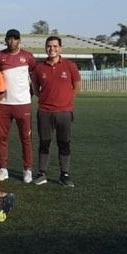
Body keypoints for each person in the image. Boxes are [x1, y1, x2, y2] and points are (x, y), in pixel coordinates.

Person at [31, 36, 82, 187]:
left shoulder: (70, 65)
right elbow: (35, 87)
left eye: (55, 46)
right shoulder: (39, 68)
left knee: (64, 143)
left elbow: (77, 86)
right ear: (45, 48)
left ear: (60, 48)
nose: (51, 49)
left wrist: (67, 101)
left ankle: (64, 175)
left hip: (64, 112)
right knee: (44, 142)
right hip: (45, 111)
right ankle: (42, 173)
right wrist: (45, 98)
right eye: (49, 46)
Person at [0, 29, 37, 183]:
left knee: (26, 138)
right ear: (5, 40)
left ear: (19, 40)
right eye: (9, 39)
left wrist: (29, 94)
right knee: (2, 138)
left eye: (15, 39)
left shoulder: (28, 57)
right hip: (4, 104)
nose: (12, 41)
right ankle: (3, 168)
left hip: (23, 104)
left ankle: (27, 170)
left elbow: (34, 76)